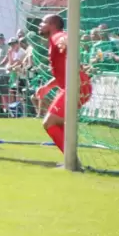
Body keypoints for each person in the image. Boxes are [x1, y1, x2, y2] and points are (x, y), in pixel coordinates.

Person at [35, 15, 92, 156]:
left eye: (43, 22)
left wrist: (65, 41)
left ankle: (71, 160)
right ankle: (72, 159)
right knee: (57, 123)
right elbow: (62, 74)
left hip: (77, 85)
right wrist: (47, 87)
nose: (40, 25)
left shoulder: (57, 37)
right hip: (72, 85)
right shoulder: (52, 42)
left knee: (49, 122)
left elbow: (65, 38)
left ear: (53, 25)